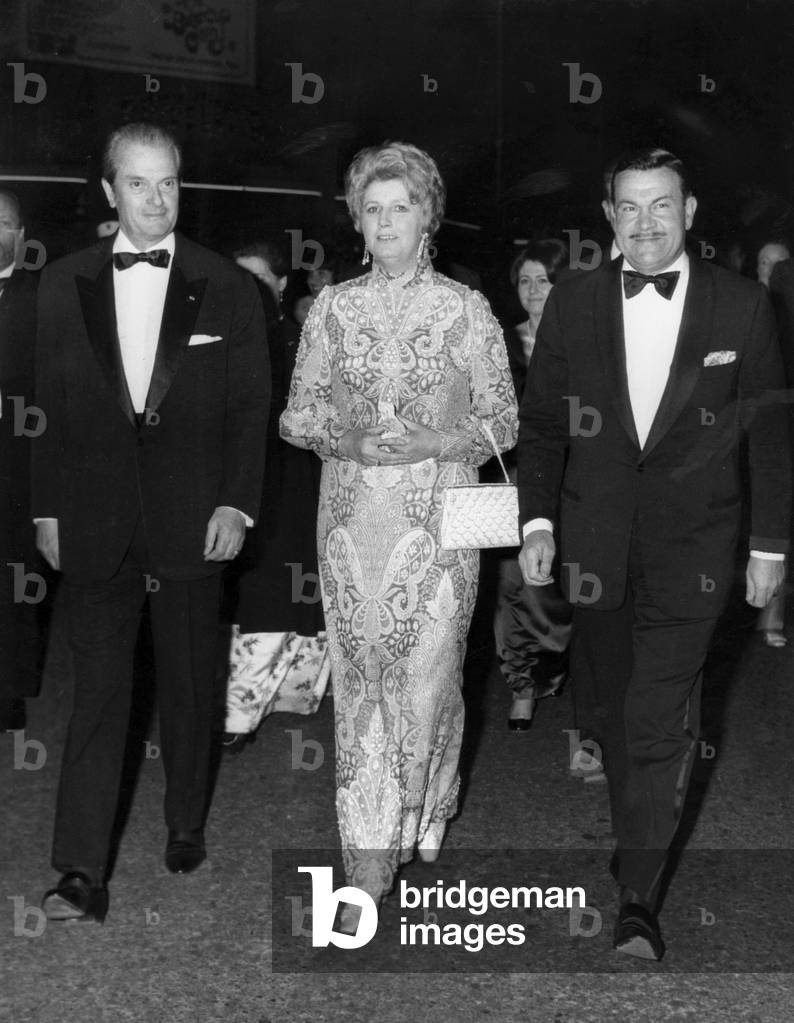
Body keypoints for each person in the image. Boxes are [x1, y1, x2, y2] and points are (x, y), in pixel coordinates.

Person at [518, 147, 790, 960]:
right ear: (610, 217)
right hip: (594, 546)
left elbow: (772, 433)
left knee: (659, 719)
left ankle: (638, 897)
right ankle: (640, 827)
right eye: (629, 207)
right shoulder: (572, 303)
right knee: (607, 709)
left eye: (661, 205)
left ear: (690, 211)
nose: (645, 223)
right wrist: (536, 523)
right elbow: (541, 427)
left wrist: (770, 545)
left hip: (695, 549)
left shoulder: (742, 308)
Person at [33, 123, 270, 923]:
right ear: (109, 191)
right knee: (99, 695)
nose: (156, 199)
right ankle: (79, 870)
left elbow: (248, 409)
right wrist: (46, 508)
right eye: (138, 183)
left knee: (188, 684)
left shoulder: (227, 285)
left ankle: (184, 821)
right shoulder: (62, 282)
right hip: (97, 522)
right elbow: (48, 411)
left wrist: (236, 503)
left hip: (193, 522)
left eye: (168, 182)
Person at [281, 141, 517, 915]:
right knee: (362, 690)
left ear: (427, 216)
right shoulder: (332, 307)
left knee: (427, 683)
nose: (385, 221)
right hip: (350, 522)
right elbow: (297, 414)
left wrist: (433, 441)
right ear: (357, 220)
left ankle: (425, 805)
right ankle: (368, 861)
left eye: (400, 207)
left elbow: (505, 422)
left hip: (440, 525)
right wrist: (344, 440)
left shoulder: (466, 309)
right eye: (372, 209)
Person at [222, 240, 329, 751]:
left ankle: (241, 714)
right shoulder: (215, 338)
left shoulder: (298, 342)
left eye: (258, 279)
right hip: (231, 487)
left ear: (283, 285)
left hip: (289, 487)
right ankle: (241, 704)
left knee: (277, 591)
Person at [496, 240, 572, 730]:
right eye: (524, 280)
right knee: (514, 582)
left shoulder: (584, 338)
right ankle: (522, 685)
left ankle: (559, 665)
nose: (532, 289)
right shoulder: (502, 342)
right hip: (515, 477)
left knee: (561, 585)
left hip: (575, 476)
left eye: (543, 279)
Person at [0, 190, 42, 732]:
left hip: (15, 464)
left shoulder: (44, 294)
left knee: (12, 581)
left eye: (3, 223)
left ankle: (8, 691)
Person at [754, 239, 792, 646]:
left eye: (780, 264)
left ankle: (773, 613)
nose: (771, 271)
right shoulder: (747, 304)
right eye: (765, 263)